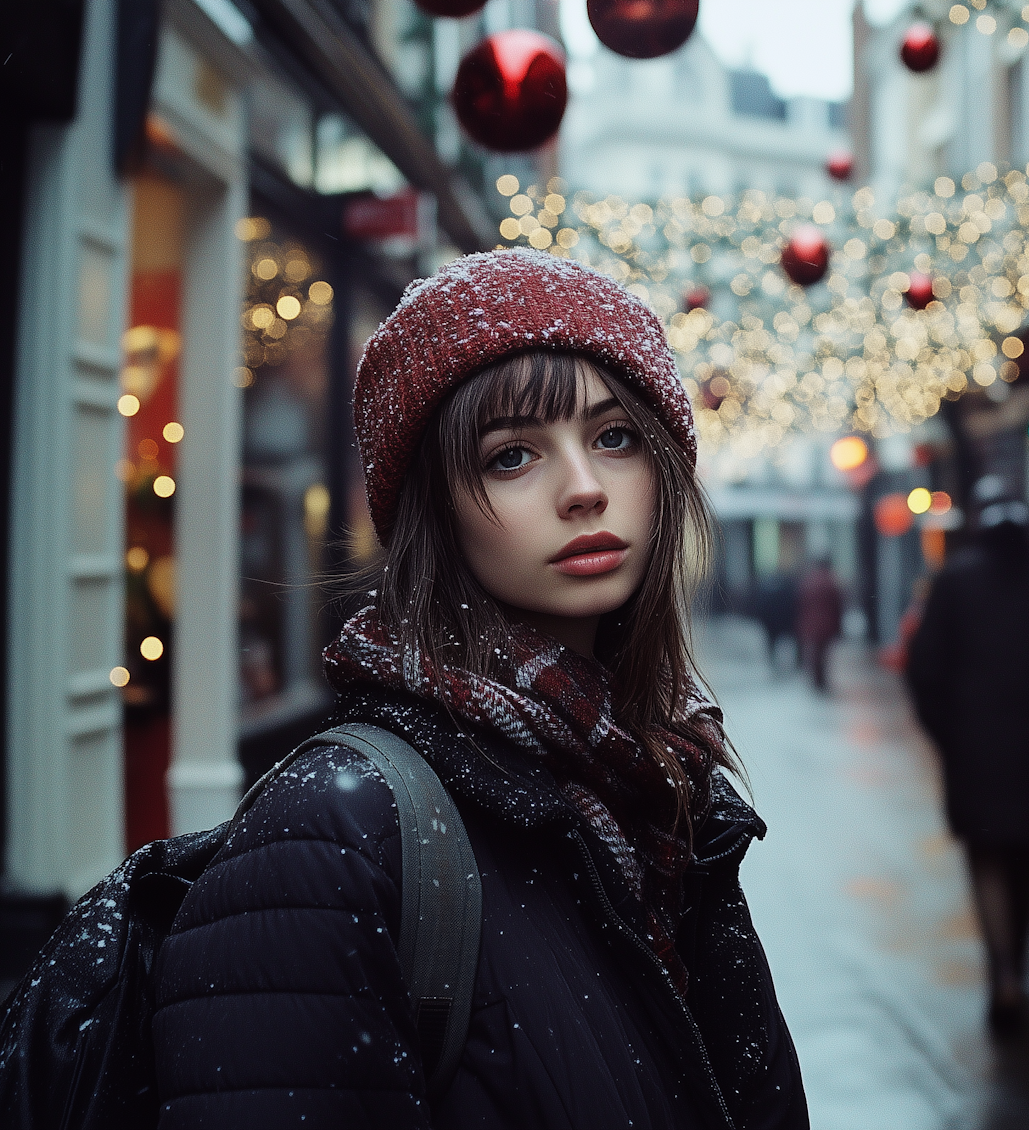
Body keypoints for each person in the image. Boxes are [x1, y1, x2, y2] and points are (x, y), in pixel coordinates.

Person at [150, 250, 807, 1128]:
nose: (584, 490)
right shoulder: (333, 831)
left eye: (615, 437)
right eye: (512, 456)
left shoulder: (660, 773)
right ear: (434, 507)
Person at [905, 476, 1029, 1031]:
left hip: (975, 751)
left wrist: (949, 734)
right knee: (1028, 860)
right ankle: (1018, 969)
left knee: (986, 858)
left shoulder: (954, 583)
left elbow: (924, 671)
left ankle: (1004, 973)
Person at [795, 558, 843, 691]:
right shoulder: (831, 582)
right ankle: (821, 680)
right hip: (827, 624)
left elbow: (800, 604)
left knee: (814, 653)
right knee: (823, 654)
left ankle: (816, 680)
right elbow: (838, 606)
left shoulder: (808, 582)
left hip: (810, 623)